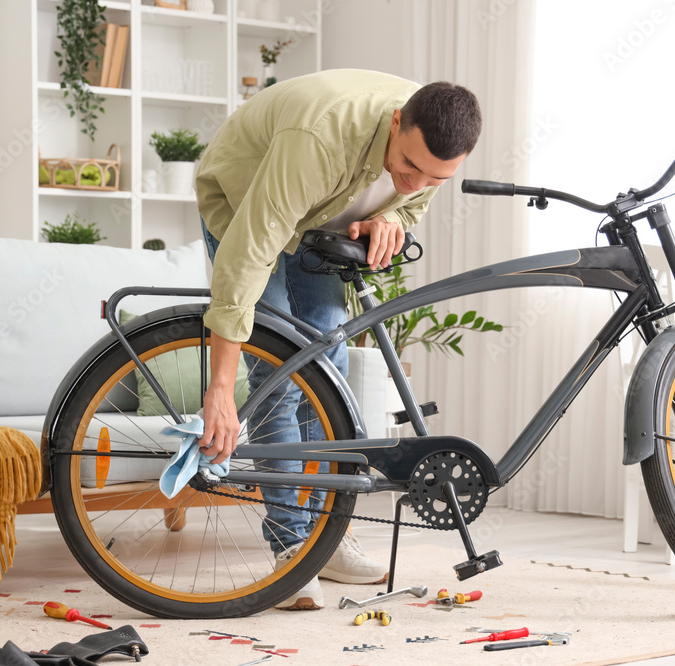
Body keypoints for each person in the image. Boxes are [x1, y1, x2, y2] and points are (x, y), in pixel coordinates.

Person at [194, 68, 482, 610]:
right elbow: (249, 253)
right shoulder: (320, 139)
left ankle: (327, 536)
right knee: (277, 375)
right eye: (410, 166)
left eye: (437, 178)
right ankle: (292, 547)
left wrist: (392, 215)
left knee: (328, 372)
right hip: (247, 197)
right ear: (396, 123)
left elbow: (412, 201)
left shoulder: (434, 143)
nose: (419, 181)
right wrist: (221, 388)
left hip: (322, 218)